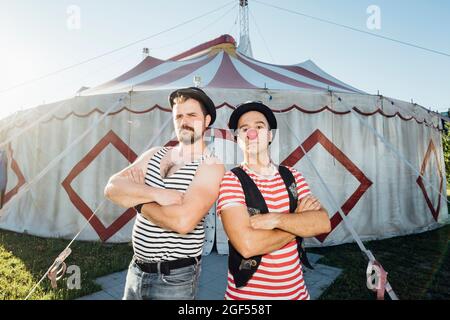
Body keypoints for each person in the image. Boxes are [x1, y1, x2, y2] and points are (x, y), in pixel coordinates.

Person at [104, 87, 225, 300]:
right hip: (136, 270)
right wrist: (157, 194)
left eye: (191, 115)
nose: (183, 121)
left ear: (206, 121)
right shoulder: (154, 154)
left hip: (175, 279)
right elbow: (112, 188)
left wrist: (138, 202)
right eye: (178, 115)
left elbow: (183, 222)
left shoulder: (211, 165)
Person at [217, 101, 331, 300]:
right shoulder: (231, 180)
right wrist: (297, 221)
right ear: (238, 138)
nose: (251, 133)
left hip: (297, 294)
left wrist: (276, 219)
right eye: (244, 129)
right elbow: (248, 245)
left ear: (270, 135)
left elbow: (322, 223)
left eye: (259, 127)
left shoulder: (293, 176)